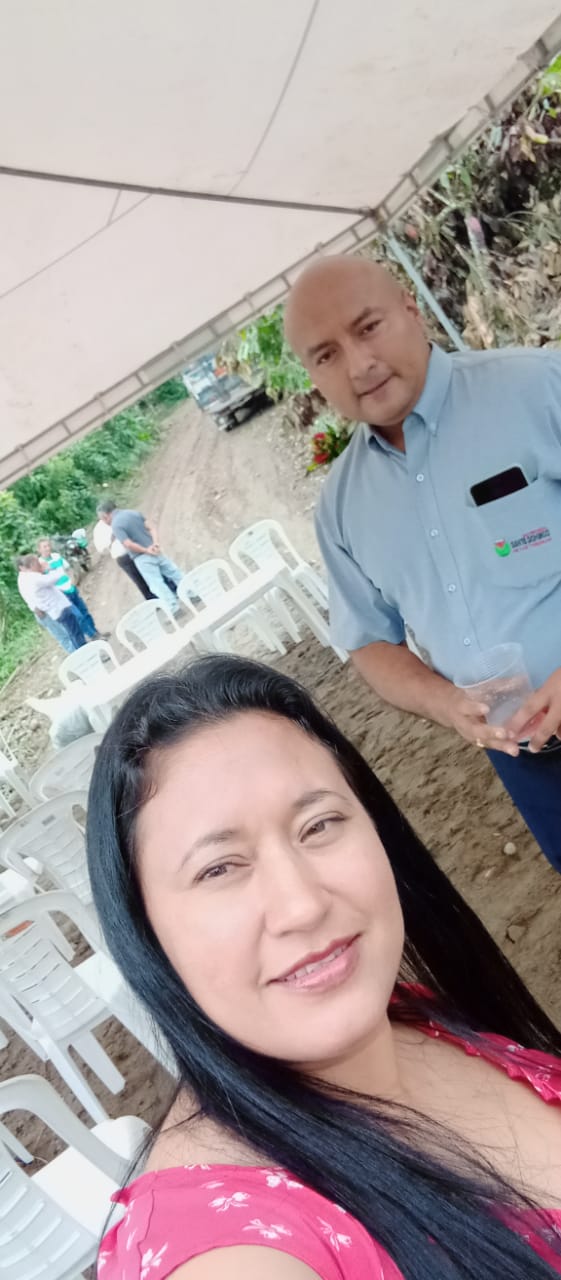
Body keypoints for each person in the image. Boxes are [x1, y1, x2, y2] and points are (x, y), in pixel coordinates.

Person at [88, 656, 561, 1280]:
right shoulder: (233, 1251)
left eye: (319, 825)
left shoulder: (404, 1011)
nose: (303, 905)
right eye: (219, 868)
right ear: (145, 928)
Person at [284, 255, 561, 872]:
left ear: (410, 309)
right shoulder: (342, 508)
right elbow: (368, 643)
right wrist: (444, 703)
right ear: (313, 375)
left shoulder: (534, 388)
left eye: (368, 327)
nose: (359, 364)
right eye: (326, 355)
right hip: (526, 758)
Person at [96, 501, 184, 612]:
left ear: (106, 515)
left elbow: (128, 544)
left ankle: (174, 608)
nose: (104, 522)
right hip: (155, 550)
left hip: (142, 557)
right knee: (174, 573)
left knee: (156, 584)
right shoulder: (133, 512)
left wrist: (146, 551)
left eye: (103, 519)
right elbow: (151, 527)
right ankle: (191, 593)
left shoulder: (116, 525)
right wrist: (155, 543)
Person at [36, 537, 108, 640]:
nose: (48, 548)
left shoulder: (56, 556)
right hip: (60, 593)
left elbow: (68, 568)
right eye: (44, 547)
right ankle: (92, 635)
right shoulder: (40, 564)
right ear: (39, 550)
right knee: (78, 616)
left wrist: (72, 582)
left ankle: (95, 632)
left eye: (48, 545)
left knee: (84, 611)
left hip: (69, 587)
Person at [16, 554, 88, 651]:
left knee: (70, 633)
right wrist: (48, 568)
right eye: (36, 562)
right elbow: (55, 577)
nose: (40, 564)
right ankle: (81, 653)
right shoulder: (32, 578)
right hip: (52, 610)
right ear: (23, 567)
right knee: (69, 635)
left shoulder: (26, 578)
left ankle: (80, 652)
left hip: (50, 609)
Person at [93, 517, 155, 600]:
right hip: (123, 556)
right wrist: (111, 539)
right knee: (139, 580)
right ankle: (153, 600)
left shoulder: (119, 517)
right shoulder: (99, 529)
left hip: (138, 549)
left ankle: (165, 593)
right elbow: (101, 549)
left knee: (152, 572)